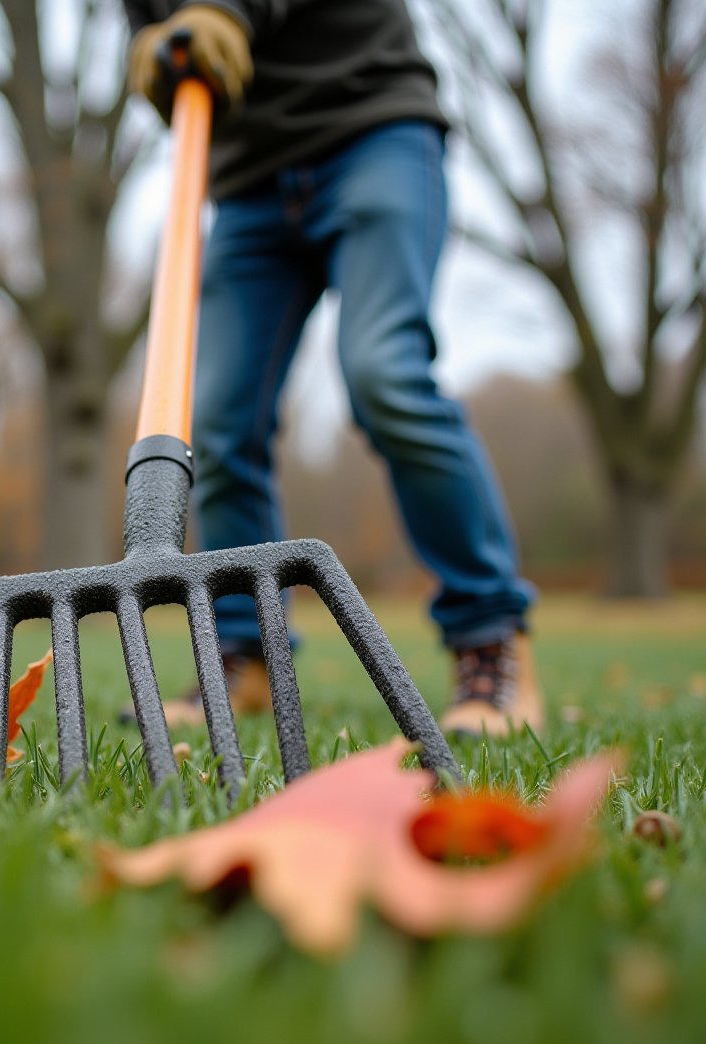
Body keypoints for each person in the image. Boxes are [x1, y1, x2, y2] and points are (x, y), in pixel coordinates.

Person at [123, 0, 542, 737]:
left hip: (371, 129)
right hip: (249, 182)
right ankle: (242, 654)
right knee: (215, 421)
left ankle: (491, 641)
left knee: (387, 376)